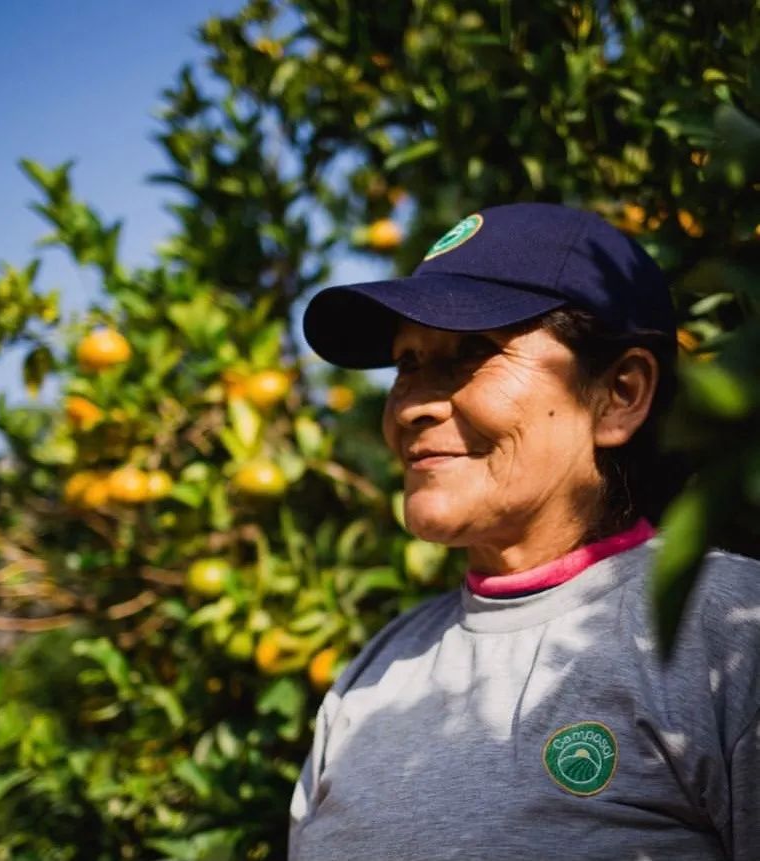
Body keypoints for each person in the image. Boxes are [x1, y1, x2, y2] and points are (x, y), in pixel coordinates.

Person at [288, 203, 760, 861]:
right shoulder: (374, 675)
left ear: (619, 394)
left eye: (471, 352)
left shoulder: (733, 635)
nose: (413, 404)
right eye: (408, 361)